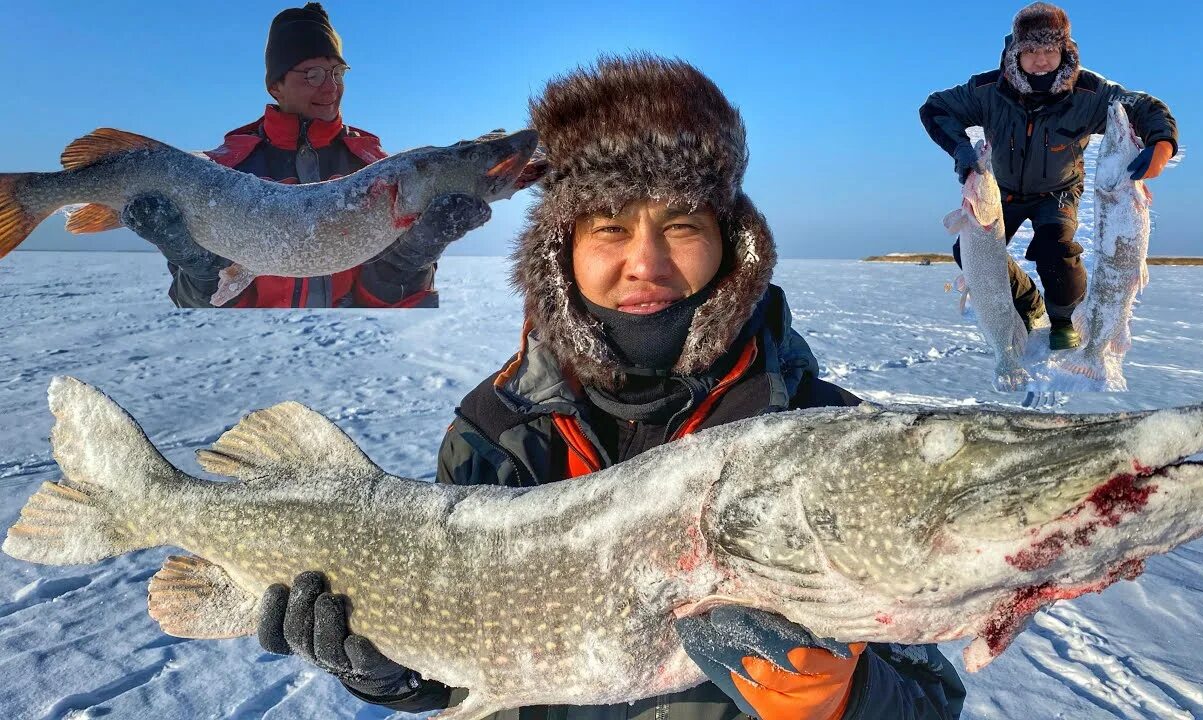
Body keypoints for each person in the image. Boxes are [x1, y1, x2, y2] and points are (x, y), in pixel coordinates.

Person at [255, 55, 967, 719]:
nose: (645, 262)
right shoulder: (497, 435)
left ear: (731, 242)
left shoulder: (833, 441)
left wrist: (846, 702)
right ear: (562, 248)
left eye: (682, 223)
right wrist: (397, 672)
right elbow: (472, 676)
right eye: (610, 227)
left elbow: (933, 695)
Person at [119, 2, 490, 308]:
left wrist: (412, 262)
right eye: (312, 74)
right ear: (275, 84)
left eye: (337, 72)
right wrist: (200, 276)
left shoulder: (377, 170)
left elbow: (390, 310)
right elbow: (198, 314)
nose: (330, 87)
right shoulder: (218, 171)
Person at [920, 2, 1178, 349]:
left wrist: (1162, 143)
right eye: (1030, 51)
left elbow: (1145, 107)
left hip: (1058, 190)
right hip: (1002, 190)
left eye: (1049, 49)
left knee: (1055, 250)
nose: (1040, 59)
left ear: (1064, 50)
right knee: (968, 252)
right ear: (1015, 51)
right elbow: (936, 108)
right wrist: (962, 150)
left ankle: (1064, 319)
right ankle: (1028, 304)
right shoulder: (987, 90)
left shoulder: (1089, 92)